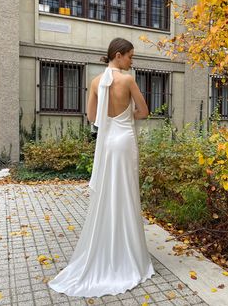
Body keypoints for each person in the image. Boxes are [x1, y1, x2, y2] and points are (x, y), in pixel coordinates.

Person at [48, 38, 155, 297]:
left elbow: (92, 117)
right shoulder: (128, 80)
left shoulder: (95, 82)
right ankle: (128, 251)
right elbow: (144, 112)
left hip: (107, 144)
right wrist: (126, 115)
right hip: (125, 140)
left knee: (108, 192)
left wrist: (112, 118)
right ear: (118, 56)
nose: (132, 61)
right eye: (130, 56)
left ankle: (108, 243)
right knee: (127, 193)